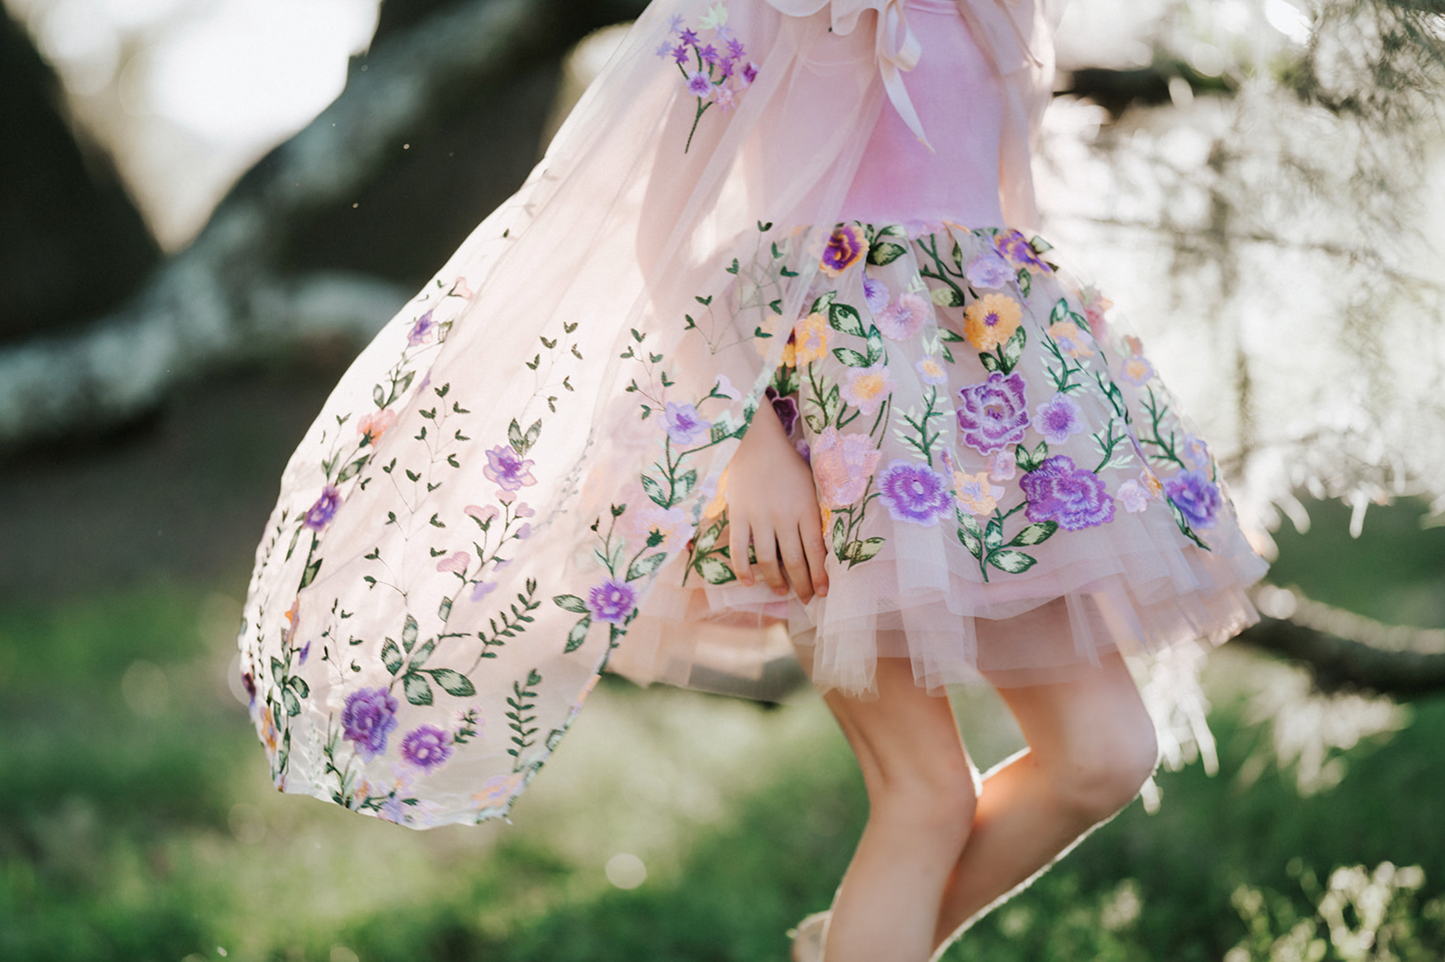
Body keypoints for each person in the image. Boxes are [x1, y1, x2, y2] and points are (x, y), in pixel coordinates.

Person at [238, 1, 1269, 960]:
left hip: (986, 413)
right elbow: (664, 225)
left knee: (1102, 754)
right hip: (822, 419)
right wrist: (746, 451)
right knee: (922, 797)